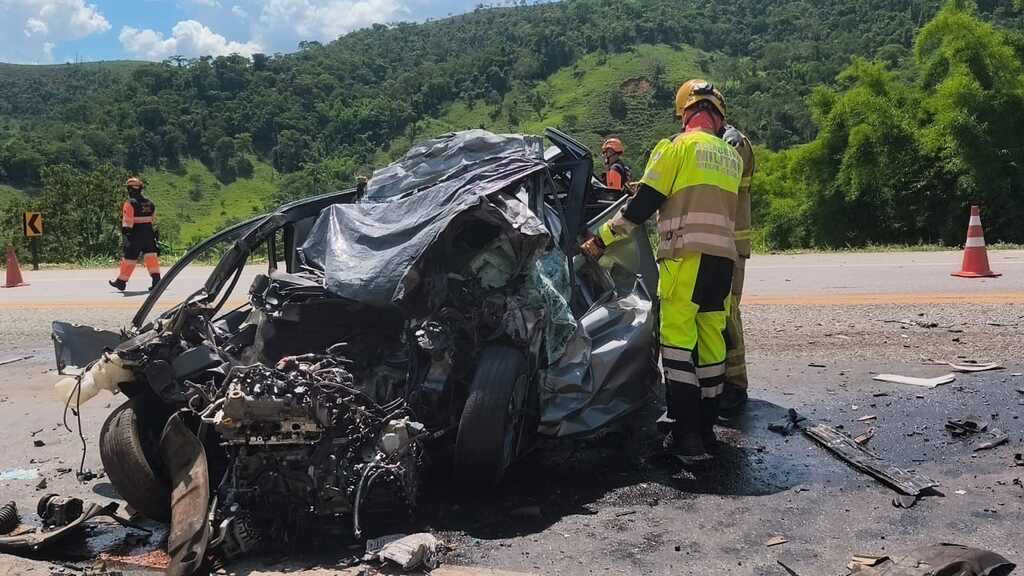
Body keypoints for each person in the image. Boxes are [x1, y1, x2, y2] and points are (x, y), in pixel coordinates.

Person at [581, 80, 742, 462]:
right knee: (712, 344)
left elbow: (641, 207)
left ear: (685, 112)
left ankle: (687, 441)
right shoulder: (730, 157)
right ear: (718, 116)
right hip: (722, 262)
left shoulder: (676, 147)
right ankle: (706, 431)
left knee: (677, 345)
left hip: (685, 258)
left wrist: (600, 240)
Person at [721, 125, 756, 413]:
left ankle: (734, 385)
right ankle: (721, 381)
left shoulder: (734, 143)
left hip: (730, 245)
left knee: (728, 314)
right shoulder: (720, 143)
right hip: (718, 245)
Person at [109, 177, 161, 292]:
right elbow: (153, 220)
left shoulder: (130, 203)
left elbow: (128, 221)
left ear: (130, 189)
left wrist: (126, 234)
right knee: (151, 258)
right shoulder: (150, 203)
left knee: (129, 259)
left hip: (135, 234)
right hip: (149, 233)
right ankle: (157, 281)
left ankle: (121, 282)